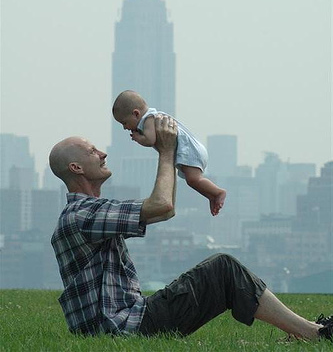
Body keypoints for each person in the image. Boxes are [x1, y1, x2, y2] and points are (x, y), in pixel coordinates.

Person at [50, 114, 332, 341]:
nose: (102, 153)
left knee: (221, 271)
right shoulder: (82, 215)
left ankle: (308, 329)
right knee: (224, 269)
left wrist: (171, 156)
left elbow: (164, 206)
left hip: (121, 324)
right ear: (76, 168)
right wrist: (167, 151)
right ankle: (316, 334)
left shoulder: (84, 213)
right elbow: (162, 206)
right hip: (124, 329)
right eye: (92, 151)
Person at [112, 90, 226, 216]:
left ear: (136, 114)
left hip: (191, 151)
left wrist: (139, 138)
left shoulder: (149, 119)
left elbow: (150, 140)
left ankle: (218, 192)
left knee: (194, 179)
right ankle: (211, 196)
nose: (125, 127)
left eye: (124, 122)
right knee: (192, 181)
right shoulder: (154, 116)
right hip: (194, 149)